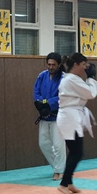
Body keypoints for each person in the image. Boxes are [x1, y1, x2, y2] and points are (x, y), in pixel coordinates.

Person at [56, 52, 97, 194]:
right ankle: (63, 184)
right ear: (76, 64)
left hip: (71, 116)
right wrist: (91, 77)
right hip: (70, 117)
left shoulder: (73, 79)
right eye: (83, 64)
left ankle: (69, 182)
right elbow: (90, 93)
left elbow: (87, 93)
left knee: (74, 151)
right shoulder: (71, 79)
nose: (85, 67)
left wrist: (89, 78)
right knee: (77, 152)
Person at [33, 52, 65, 181]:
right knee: (43, 144)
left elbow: (63, 96)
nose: (51, 67)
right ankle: (58, 167)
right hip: (44, 116)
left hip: (58, 116)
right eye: (49, 64)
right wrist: (40, 105)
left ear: (59, 65)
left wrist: (48, 104)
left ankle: (59, 171)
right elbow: (36, 92)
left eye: (53, 65)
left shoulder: (63, 78)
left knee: (58, 145)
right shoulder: (42, 76)